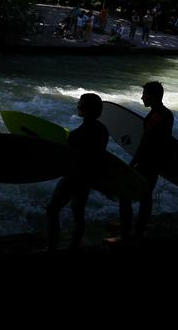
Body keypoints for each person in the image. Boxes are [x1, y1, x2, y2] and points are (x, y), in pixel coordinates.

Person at [47, 93, 108, 251]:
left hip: (74, 177)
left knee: (52, 209)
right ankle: (73, 246)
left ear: (86, 110)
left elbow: (69, 160)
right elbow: (100, 156)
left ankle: (52, 247)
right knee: (78, 212)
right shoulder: (103, 130)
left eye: (80, 105)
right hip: (89, 177)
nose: (78, 107)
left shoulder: (76, 135)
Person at [118, 82, 173, 240]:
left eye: (145, 94)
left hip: (149, 162)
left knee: (126, 194)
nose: (142, 97)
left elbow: (148, 142)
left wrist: (134, 162)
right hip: (152, 162)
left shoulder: (158, 115)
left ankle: (128, 233)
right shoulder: (161, 113)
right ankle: (137, 231)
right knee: (144, 196)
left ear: (153, 96)